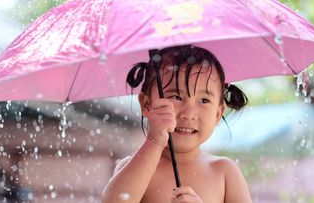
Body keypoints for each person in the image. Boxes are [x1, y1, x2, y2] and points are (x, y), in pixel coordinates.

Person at [101, 45, 252, 203]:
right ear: (147, 104)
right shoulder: (133, 169)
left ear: (218, 113)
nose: (188, 114)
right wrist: (154, 142)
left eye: (204, 100)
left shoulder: (224, 172)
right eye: (176, 97)